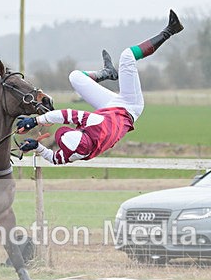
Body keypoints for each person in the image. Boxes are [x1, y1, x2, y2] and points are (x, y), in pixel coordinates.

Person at [16, 9, 184, 164]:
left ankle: (106, 73)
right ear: (81, 134)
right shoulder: (94, 124)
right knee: (127, 57)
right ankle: (170, 30)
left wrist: (36, 147)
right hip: (130, 106)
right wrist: (35, 121)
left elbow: (54, 158)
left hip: (109, 110)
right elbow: (67, 114)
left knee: (75, 77)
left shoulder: (78, 153)